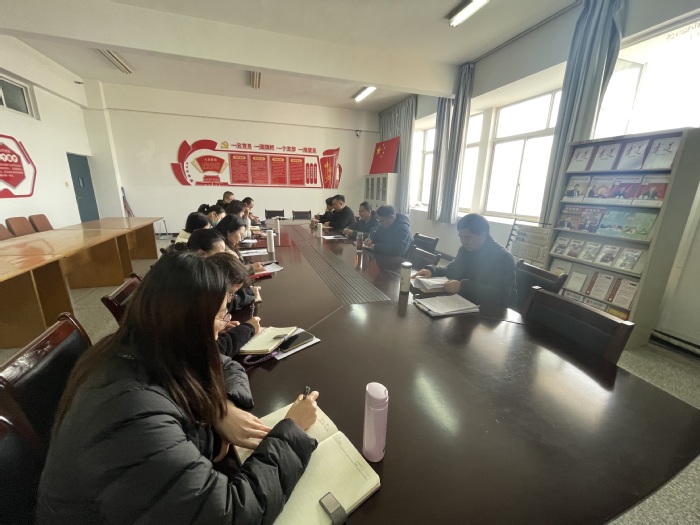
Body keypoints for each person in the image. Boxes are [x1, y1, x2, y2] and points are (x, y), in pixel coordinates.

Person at [35, 252, 319, 524]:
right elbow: (230, 515)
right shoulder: (128, 415)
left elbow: (225, 365)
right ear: (190, 322)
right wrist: (291, 431)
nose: (223, 327)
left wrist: (223, 407)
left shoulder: (144, 344)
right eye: (221, 315)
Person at [413, 213, 515, 307]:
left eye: (467, 237)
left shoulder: (503, 257)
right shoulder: (465, 250)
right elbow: (451, 270)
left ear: (483, 235)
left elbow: (502, 294)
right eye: (461, 237)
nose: (463, 242)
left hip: (492, 313)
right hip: (465, 303)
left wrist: (463, 287)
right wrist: (432, 270)